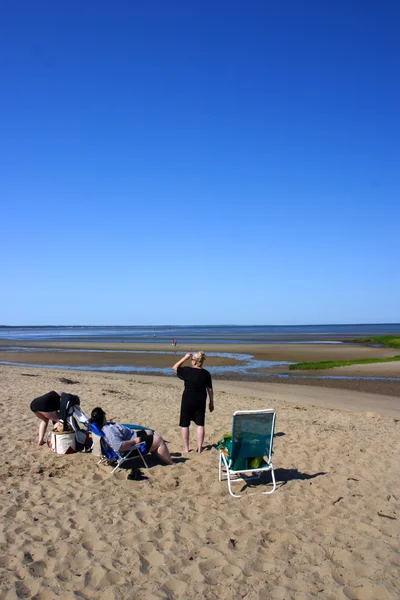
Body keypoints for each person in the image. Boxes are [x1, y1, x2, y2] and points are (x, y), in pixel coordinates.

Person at [90, 407, 174, 465]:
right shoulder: (109, 431)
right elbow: (119, 446)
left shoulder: (101, 427)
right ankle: (171, 463)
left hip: (131, 437)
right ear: (103, 417)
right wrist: (134, 441)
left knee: (149, 432)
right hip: (130, 448)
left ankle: (157, 456)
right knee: (159, 440)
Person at [172, 351, 214, 453]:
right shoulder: (206, 373)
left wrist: (184, 358)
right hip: (200, 399)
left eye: (192, 360)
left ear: (194, 361)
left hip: (188, 399)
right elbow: (210, 389)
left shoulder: (187, 371)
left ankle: (186, 448)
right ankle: (199, 448)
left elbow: (175, 367)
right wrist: (211, 402)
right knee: (200, 423)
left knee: (185, 424)